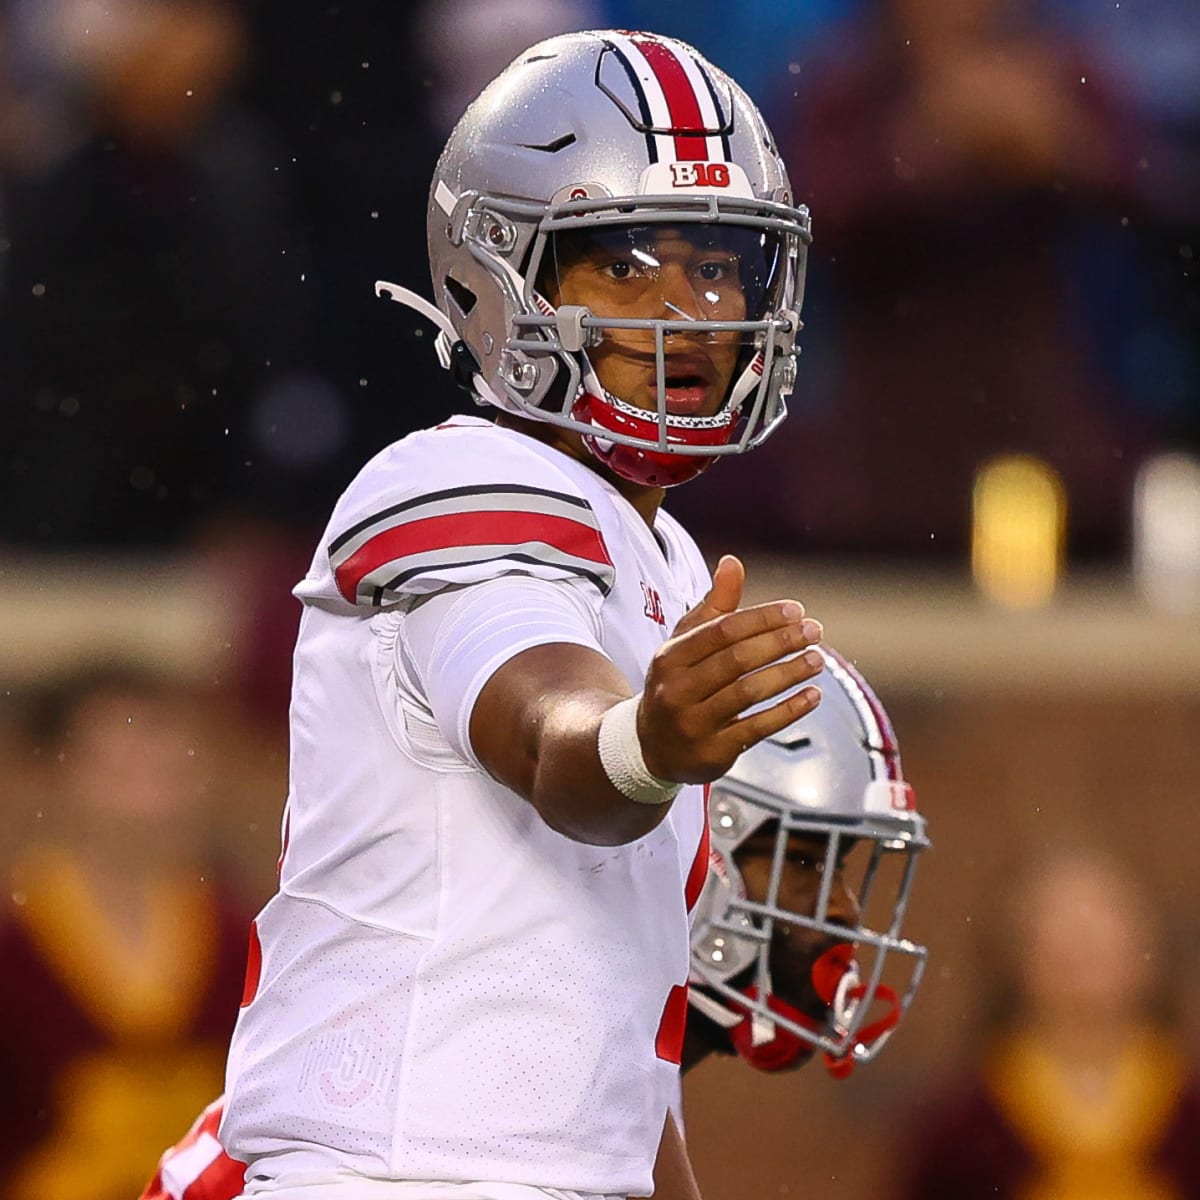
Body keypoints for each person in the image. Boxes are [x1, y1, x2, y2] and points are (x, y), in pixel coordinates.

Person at [217, 28, 820, 1200]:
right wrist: (643, 745)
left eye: (717, 264)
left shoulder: (666, 553)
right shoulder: (456, 479)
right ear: (500, 282)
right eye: (626, 266)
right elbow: (552, 739)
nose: (692, 311)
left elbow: (615, 1065)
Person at [140, 649, 930, 1200]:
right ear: (685, 849)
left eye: (844, 870)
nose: (840, 911)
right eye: (803, 861)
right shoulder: (472, 1084)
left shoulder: (617, 1096)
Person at [0, 662, 253, 1200]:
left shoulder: (239, 936)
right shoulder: (15, 945)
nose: (148, 787)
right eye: (121, 764)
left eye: (166, 760)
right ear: (55, 773)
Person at [897, 847, 1200, 1200]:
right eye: (1062, 929)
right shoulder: (963, 1131)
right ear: (1014, 955)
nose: (1085, 944)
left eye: (1105, 925)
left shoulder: (1188, 1117)